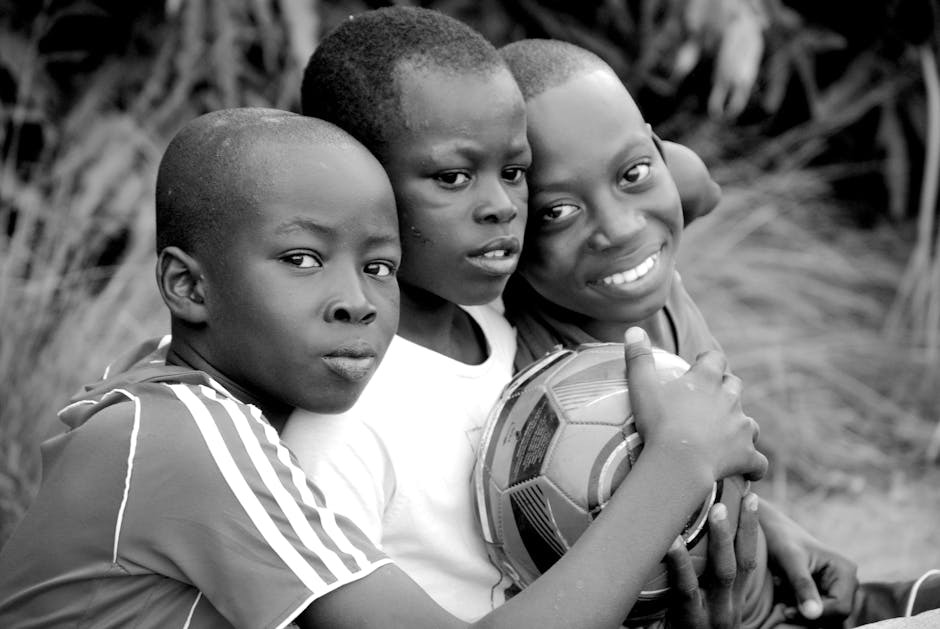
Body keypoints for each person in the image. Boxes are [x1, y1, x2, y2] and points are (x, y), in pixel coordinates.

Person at [0, 106, 764, 628]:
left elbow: (690, 181)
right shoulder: (192, 438)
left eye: (381, 267)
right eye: (302, 259)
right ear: (188, 286)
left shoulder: (190, 399)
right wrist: (679, 463)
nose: (356, 302)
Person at [283, 6, 768, 628]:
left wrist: (760, 526)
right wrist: (682, 462)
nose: (500, 207)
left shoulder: (500, 323)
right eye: (455, 176)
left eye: (514, 173)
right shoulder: (340, 422)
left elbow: (686, 187)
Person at [496, 37, 940, 628]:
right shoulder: (553, 406)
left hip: (792, 593)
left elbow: (693, 185)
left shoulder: (652, 231)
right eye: (557, 211)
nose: (622, 228)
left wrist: (768, 520)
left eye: (631, 173)